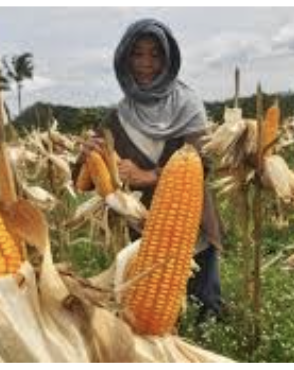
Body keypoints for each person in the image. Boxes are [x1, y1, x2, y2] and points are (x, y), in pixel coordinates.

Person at [84, 18, 226, 325]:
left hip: (191, 227)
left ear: (168, 59)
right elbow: (85, 182)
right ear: (124, 59)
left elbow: (202, 160)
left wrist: (148, 176)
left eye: (155, 54)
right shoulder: (116, 117)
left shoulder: (188, 105)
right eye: (137, 54)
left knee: (205, 309)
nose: (146, 64)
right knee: (151, 316)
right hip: (143, 234)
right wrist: (90, 157)